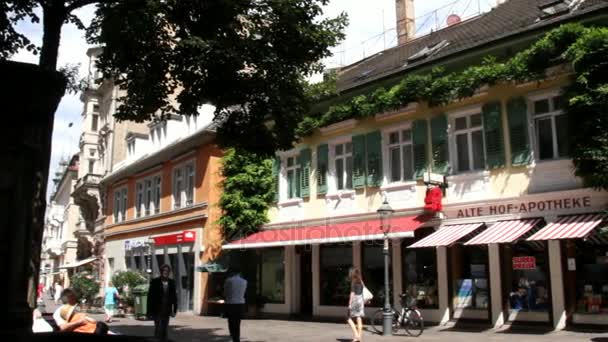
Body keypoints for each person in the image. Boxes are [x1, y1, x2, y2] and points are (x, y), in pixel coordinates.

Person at [147, 264, 178, 340]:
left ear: (169, 272)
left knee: (164, 328)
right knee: (158, 328)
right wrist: (149, 312)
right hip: (156, 309)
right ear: (161, 272)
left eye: (167, 271)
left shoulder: (171, 282)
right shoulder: (155, 282)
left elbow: (174, 297)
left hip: (167, 310)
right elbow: (150, 297)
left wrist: (174, 310)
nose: (165, 272)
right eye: (164, 271)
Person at [224, 266, 247, 342]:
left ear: (232, 273)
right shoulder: (244, 281)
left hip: (231, 303)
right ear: (240, 273)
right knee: (237, 322)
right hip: (240, 303)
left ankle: (233, 335)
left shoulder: (228, 281)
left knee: (231, 321)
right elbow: (244, 292)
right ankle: (236, 337)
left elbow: (226, 292)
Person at [347, 267, 365, 342]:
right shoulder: (361, 281)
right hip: (361, 300)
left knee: (348, 318)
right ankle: (359, 338)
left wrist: (349, 303)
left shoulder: (353, 282)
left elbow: (352, 293)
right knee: (359, 318)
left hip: (355, 300)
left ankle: (356, 335)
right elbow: (364, 289)